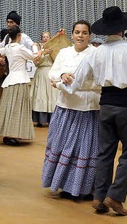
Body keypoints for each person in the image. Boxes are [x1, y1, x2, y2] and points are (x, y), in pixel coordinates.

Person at [65, 6, 127, 215]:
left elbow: (77, 80)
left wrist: (63, 83)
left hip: (105, 105)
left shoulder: (97, 52)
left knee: (105, 152)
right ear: (123, 29)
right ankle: (115, 196)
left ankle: (99, 196)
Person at [42, 20, 98, 200]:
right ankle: (64, 184)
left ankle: (85, 187)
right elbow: (52, 72)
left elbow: (99, 81)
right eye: (77, 32)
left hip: (88, 109)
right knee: (63, 146)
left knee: (85, 149)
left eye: (84, 32)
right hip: (66, 107)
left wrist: (68, 84)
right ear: (72, 35)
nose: (80, 36)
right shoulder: (64, 52)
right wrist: (61, 76)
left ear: (90, 36)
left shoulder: (96, 54)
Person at [0, 26, 38, 145]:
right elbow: (34, 56)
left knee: (9, 108)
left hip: (10, 80)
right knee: (18, 108)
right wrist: (35, 46)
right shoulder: (20, 48)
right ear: (19, 36)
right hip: (20, 80)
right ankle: (12, 134)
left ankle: (8, 133)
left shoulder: (8, 47)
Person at [31, 31, 57, 127]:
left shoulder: (54, 49)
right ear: (42, 39)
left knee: (51, 96)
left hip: (51, 73)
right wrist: (43, 53)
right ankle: (39, 120)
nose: (45, 38)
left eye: (47, 37)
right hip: (41, 73)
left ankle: (52, 119)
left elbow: (57, 60)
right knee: (40, 94)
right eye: (44, 37)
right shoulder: (38, 49)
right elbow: (36, 62)